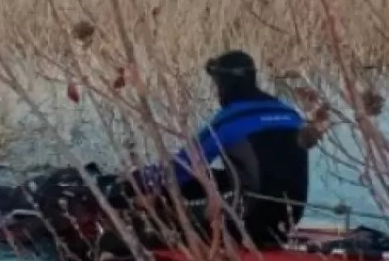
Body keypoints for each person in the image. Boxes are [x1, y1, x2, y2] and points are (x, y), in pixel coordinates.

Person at [110, 50, 310, 250]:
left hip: (249, 219)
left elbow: (181, 168)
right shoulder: (290, 113)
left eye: (217, 84)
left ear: (225, 84)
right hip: (291, 216)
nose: (216, 91)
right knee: (218, 177)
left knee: (165, 208)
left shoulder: (230, 120)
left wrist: (134, 182)